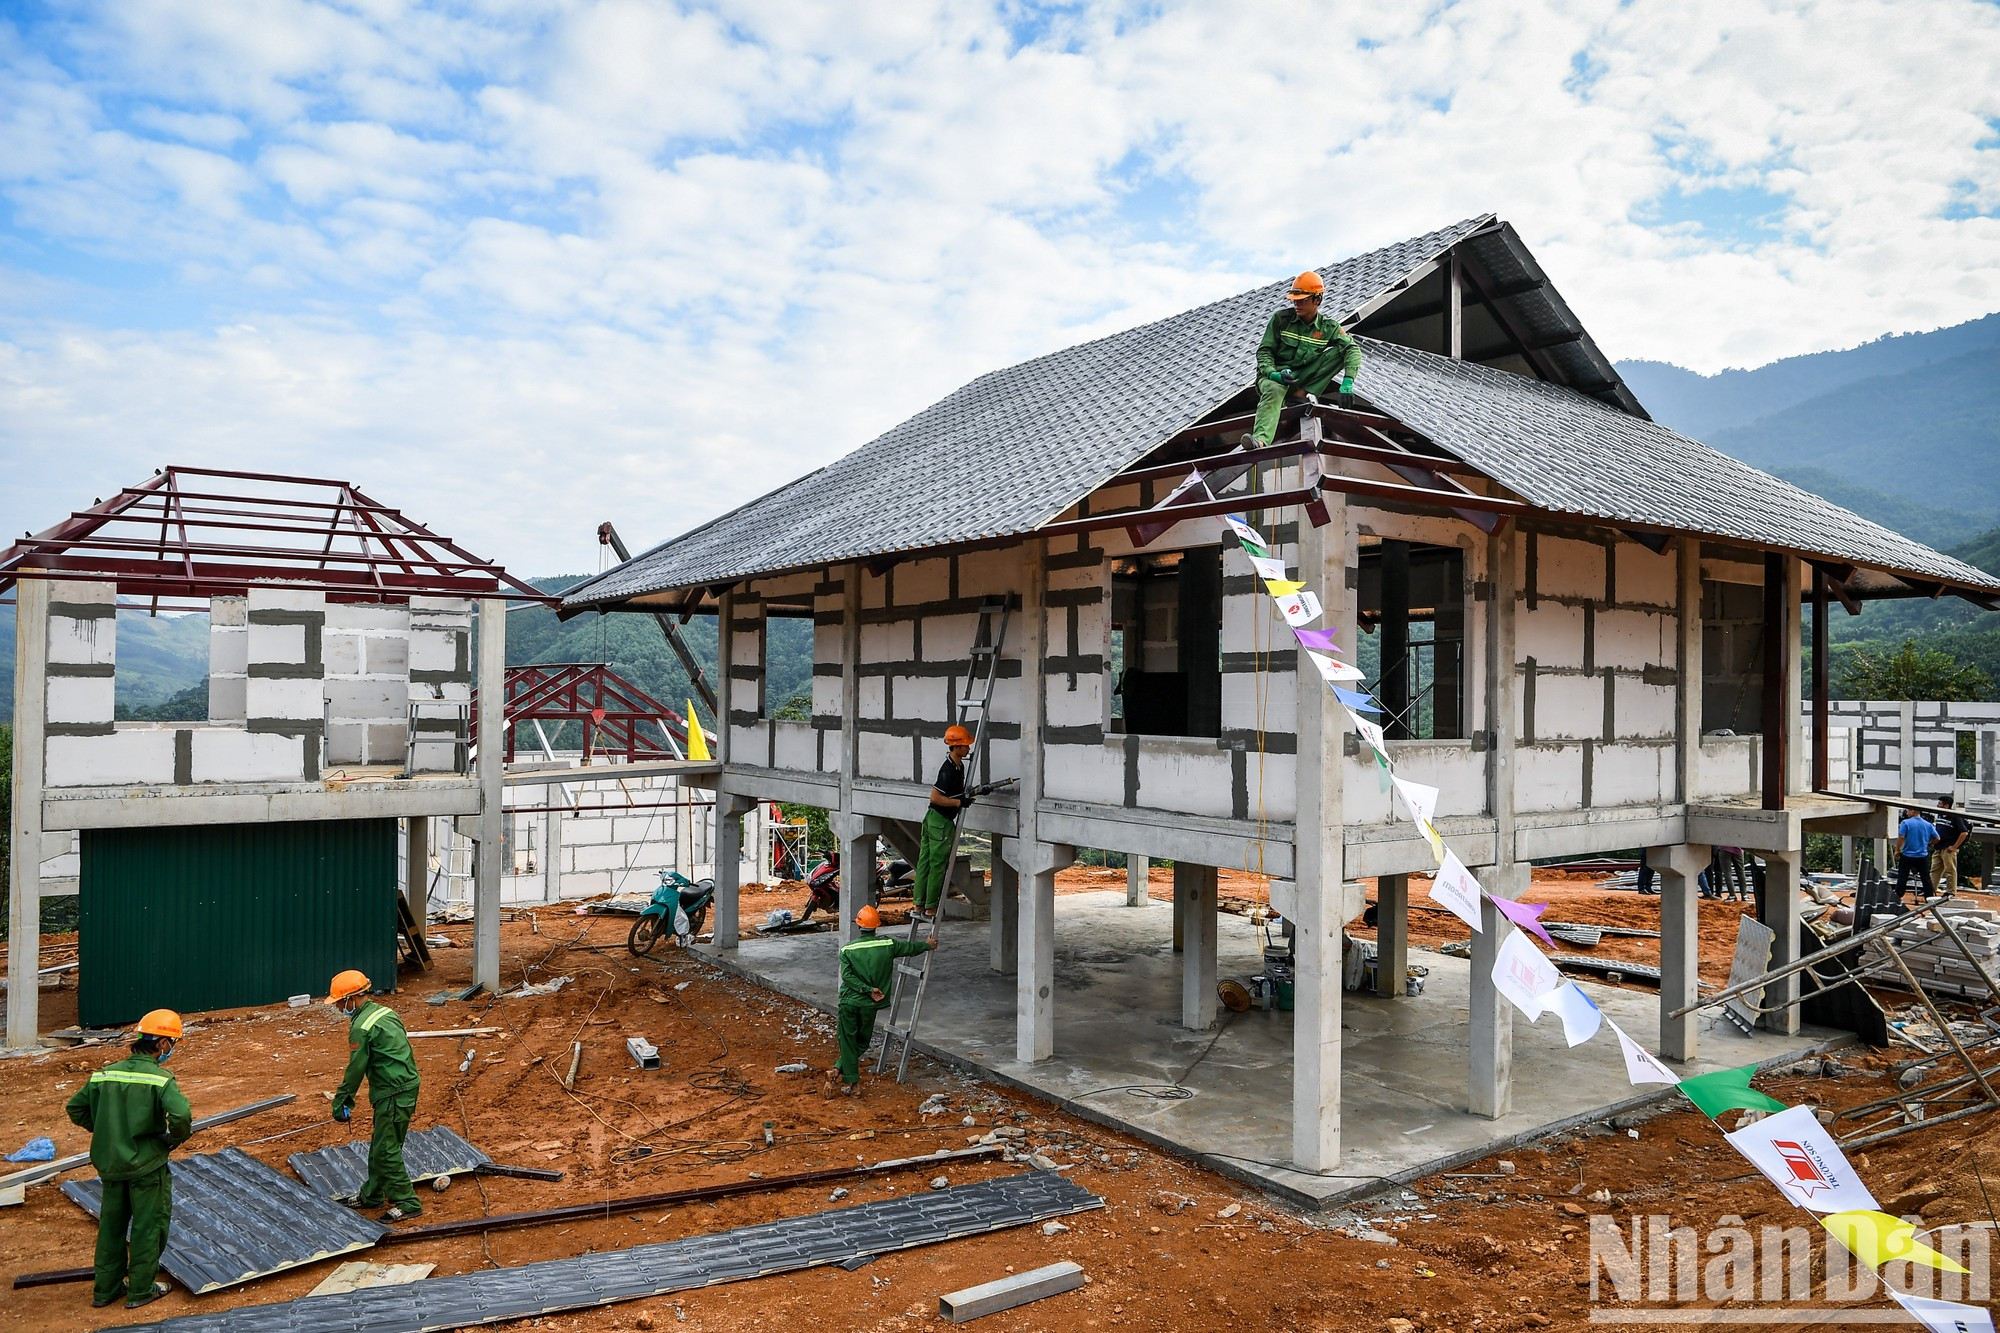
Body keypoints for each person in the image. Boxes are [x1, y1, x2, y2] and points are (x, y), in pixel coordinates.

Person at [64, 1008, 192, 1310]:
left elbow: (76, 1108)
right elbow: (182, 1115)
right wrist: (172, 1138)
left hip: (111, 1166)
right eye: (171, 1044)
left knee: (111, 1226)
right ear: (161, 1044)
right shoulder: (159, 1079)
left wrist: (110, 1130)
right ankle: (141, 1289)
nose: (170, 1050)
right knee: (148, 1227)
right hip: (147, 1166)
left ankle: (106, 1289)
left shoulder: (105, 1073)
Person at [327, 969, 423, 1221]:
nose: (337, 1007)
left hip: (393, 1091)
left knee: (386, 1149)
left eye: (338, 1002)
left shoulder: (361, 1026)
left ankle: (407, 1201)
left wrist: (343, 1098)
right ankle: (372, 1194)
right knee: (382, 1143)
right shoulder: (385, 1013)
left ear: (351, 998)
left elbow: (356, 1067)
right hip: (405, 1085)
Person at [1244, 271, 1364, 448]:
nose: (1297, 304)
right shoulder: (1281, 319)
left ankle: (1301, 394)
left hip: (1301, 378)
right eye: (1295, 299)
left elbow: (1352, 349)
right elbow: (1264, 352)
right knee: (1275, 390)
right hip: (1274, 378)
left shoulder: (1328, 327)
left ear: (1318, 300)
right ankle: (1261, 441)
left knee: (1341, 351)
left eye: (1303, 300)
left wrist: (1348, 381)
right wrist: (1274, 374)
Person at [832, 905, 935, 1095]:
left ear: (859, 925)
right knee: (862, 1043)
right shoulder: (887, 945)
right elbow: (910, 948)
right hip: (870, 1005)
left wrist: (866, 989)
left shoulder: (847, 950)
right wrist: (927, 945)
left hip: (849, 1002)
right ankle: (843, 1073)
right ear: (877, 925)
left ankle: (848, 1078)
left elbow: (847, 977)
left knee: (847, 1041)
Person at [911, 724, 975, 924]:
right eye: (965, 746)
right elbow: (936, 797)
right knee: (936, 866)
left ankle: (918, 905)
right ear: (956, 748)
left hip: (932, 820)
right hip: (940, 821)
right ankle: (930, 908)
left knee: (924, 863)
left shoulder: (958, 765)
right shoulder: (948, 770)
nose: (968, 749)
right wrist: (958, 802)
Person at [1893, 808, 1940, 901]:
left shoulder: (1906, 823)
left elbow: (1901, 837)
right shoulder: (1928, 824)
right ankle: (1929, 897)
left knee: (1903, 876)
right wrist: (1929, 844)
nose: (1906, 812)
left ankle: (1898, 895)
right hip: (1922, 855)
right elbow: (1937, 838)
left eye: (1908, 810)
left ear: (1912, 811)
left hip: (1907, 855)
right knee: (1925, 877)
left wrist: (1897, 850)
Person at [1931, 796, 1970, 898]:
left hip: (1948, 848)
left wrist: (1955, 846)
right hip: (1938, 846)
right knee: (1935, 870)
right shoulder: (1939, 815)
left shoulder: (1955, 816)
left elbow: (1964, 832)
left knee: (1950, 870)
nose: (1938, 805)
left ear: (1946, 805)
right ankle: (1931, 889)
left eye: (1940, 803)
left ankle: (1951, 891)